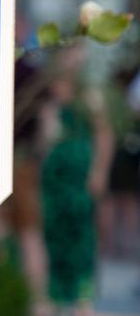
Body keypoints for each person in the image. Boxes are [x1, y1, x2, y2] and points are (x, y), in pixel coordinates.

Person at [39, 48, 114, 316]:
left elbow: (104, 136)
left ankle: (83, 296)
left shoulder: (89, 100)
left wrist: (99, 171)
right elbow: (44, 143)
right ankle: (55, 294)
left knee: (82, 235)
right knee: (54, 234)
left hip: (80, 177)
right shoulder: (50, 105)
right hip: (55, 179)